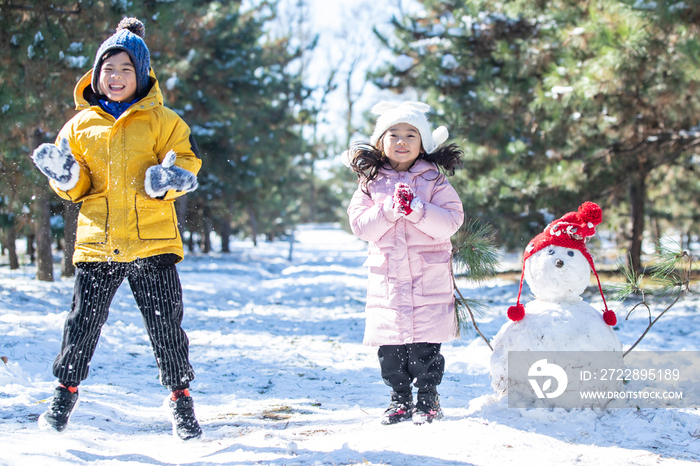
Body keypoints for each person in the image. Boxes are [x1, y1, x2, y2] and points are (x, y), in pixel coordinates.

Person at [31, 17, 203, 441]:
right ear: (96, 73)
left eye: (126, 69)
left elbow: (187, 160)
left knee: (166, 327)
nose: (116, 77)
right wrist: (67, 177)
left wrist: (169, 179)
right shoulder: (78, 126)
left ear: (141, 75)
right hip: (98, 243)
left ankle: (181, 400)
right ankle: (63, 397)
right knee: (82, 324)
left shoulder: (163, 120)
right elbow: (78, 185)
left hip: (153, 242)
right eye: (109, 69)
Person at [345, 101, 464, 424]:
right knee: (392, 352)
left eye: (410, 134)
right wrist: (388, 210)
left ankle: (428, 399)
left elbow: (451, 221)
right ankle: (399, 399)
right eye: (393, 134)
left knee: (425, 349)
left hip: (428, 279)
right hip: (389, 282)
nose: (401, 141)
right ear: (380, 143)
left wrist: (416, 210)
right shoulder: (370, 183)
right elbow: (360, 226)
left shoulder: (434, 181)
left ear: (423, 143)